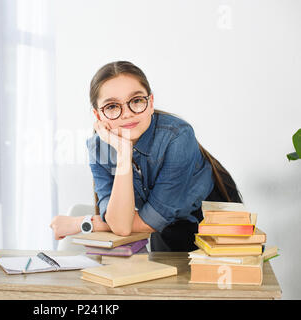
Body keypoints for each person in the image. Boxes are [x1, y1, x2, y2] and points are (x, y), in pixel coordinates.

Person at [50, 60, 242, 251]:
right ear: (98, 116)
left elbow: (148, 221)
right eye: (111, 106)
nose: (126, 114)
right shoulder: (99, 147)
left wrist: (83, 223)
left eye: (136, 101)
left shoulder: (177, 136)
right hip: (165, 231)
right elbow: (121, 226)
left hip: (216, 228)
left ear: (150, 103)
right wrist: (123, 153)